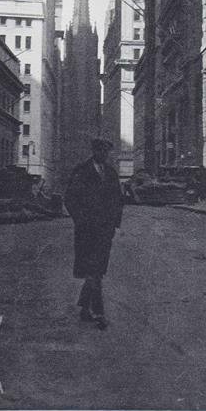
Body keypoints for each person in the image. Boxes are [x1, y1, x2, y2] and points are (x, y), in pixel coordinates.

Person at [64, 137, 123, 331]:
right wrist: (80, 220)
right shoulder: (82, 172)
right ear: (94, 151)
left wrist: (114, 224)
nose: (104, 154)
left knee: (96, 271)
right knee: (94, 271)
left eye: (106, 151)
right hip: (87, 231)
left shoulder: (111, 173)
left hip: (105, 231)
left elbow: (118, 200)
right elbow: (70, 199)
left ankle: (84, 309)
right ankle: (99, 313)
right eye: (101, 151)